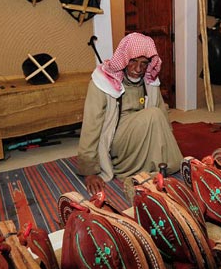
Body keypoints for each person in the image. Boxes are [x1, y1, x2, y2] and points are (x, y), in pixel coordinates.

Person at [77, 32, 183, 195]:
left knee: (157, 115)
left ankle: (152, 170)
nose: (138, 69)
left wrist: (167, 144)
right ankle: (151, 172)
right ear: (124, 59)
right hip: (114, 139)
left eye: (144, 63)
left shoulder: (150, 81)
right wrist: (89, 171)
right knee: (153, 115)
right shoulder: (102, 82)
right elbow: (91, 127)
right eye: (133, 61)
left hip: (141, 134)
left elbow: (164, 120)